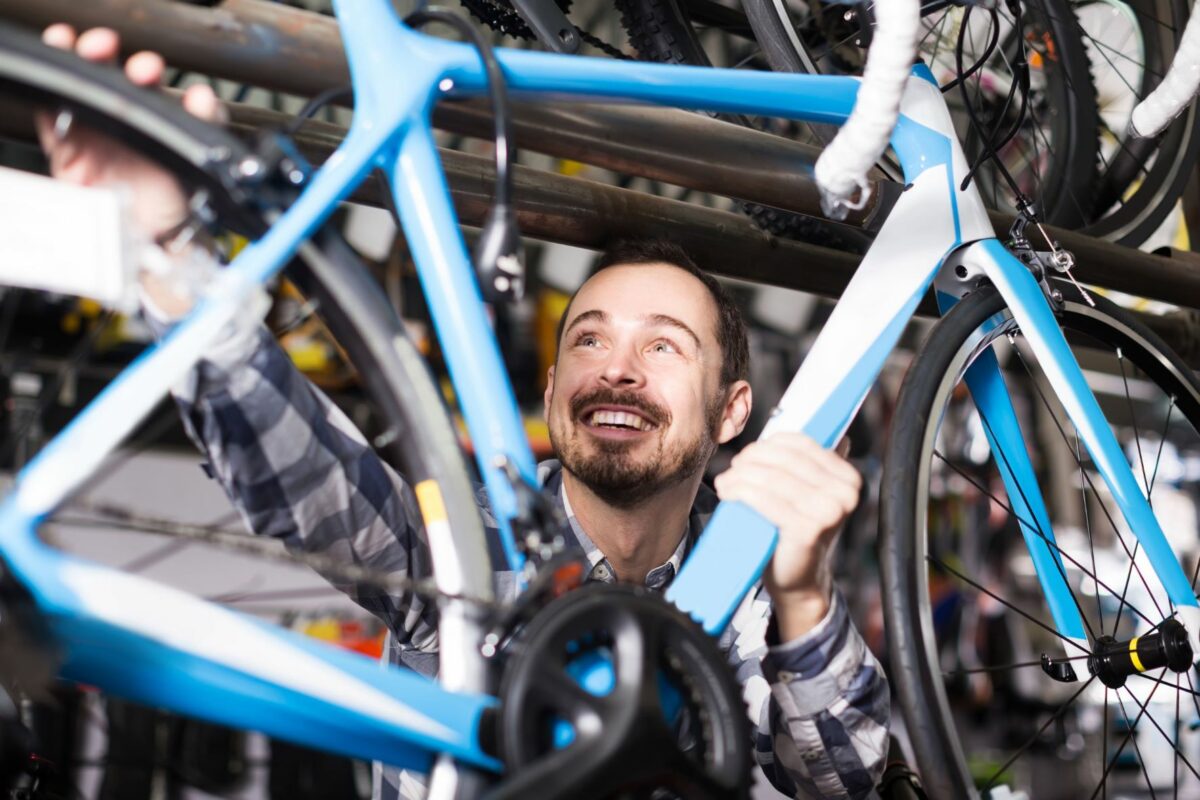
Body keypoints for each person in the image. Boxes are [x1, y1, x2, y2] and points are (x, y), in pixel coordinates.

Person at [37, 24, 889, 800]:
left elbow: (843, 788)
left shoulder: (756, 587)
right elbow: (316, 483)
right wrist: (170, 262)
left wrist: (805, 596)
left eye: (664, 347)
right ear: (553, 390)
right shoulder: (466, 549)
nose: (617, 371)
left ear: (732, 410)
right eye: (588, 342)